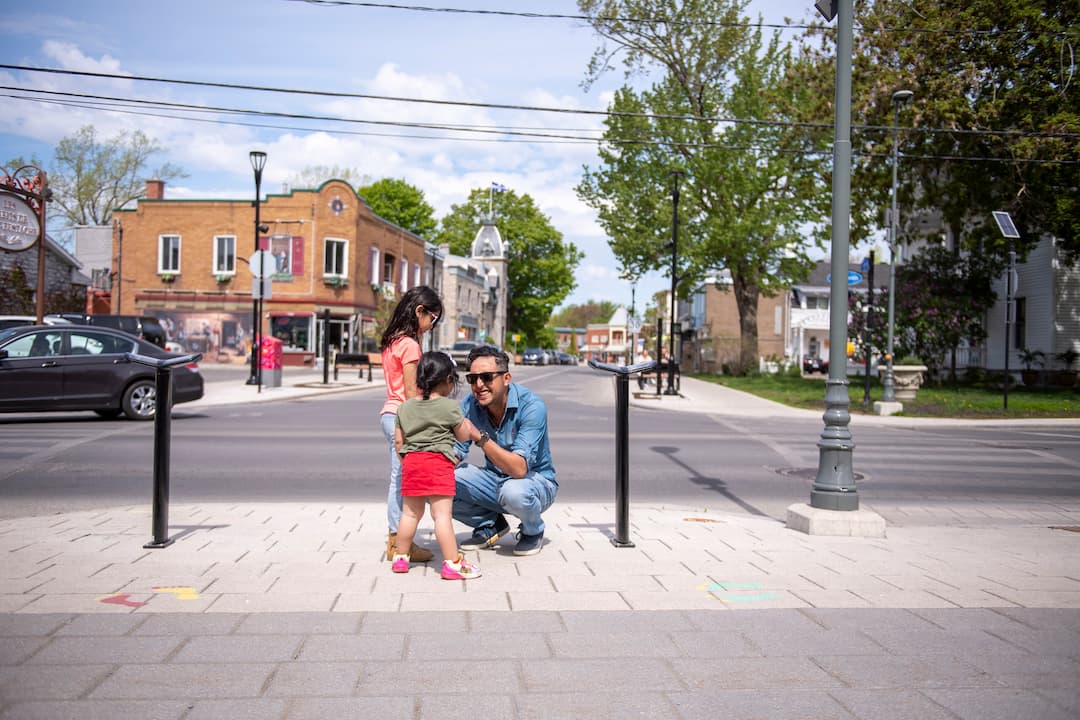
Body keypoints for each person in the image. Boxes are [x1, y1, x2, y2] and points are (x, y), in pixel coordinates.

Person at [453, 345, 557, 556]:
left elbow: (519, 470)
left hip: (534, 483)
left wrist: (481, 438)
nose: (479, 385)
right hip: (495, 479)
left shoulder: (531, 406)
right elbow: (456, 452)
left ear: (506, 378)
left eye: (487, 377)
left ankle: (532, 530)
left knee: (514, 491)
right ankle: (490, 524)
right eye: (473, 379)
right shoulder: (470, 404)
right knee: (436, 480)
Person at [392, 352, 483, 580]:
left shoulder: (405, 408)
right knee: (441, 515)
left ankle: (401, 557)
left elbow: (398, 441)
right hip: (438, 463)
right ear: (447, 380)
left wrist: (407, 461)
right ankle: (452, 563)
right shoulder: (449, 407)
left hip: (412, 462)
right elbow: (462, 437)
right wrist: (468, 428)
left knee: (410, 514)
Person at [379, 285, 443, 563]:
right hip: (401, 417)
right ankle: (399, 543)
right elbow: (408, 393)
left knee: (399, 479)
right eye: (433, 318)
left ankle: (398, 540)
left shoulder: (393, 340)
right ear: (419, 311)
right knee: (403, 482)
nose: (432, 325)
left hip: (390, 414)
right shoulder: (409, 345)